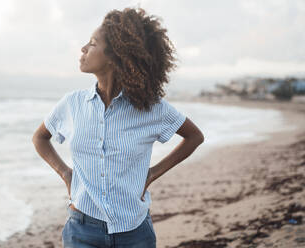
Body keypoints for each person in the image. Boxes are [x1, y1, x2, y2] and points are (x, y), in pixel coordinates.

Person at [32, 7, 204, 248]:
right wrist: (65, 173)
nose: (83, 49)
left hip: (135, 233)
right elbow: (40, 138)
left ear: (115, 55)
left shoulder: (151, 108)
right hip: (82, 231)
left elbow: (194, 137)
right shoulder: (72, 104)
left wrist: (152, 173)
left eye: (92, 44)